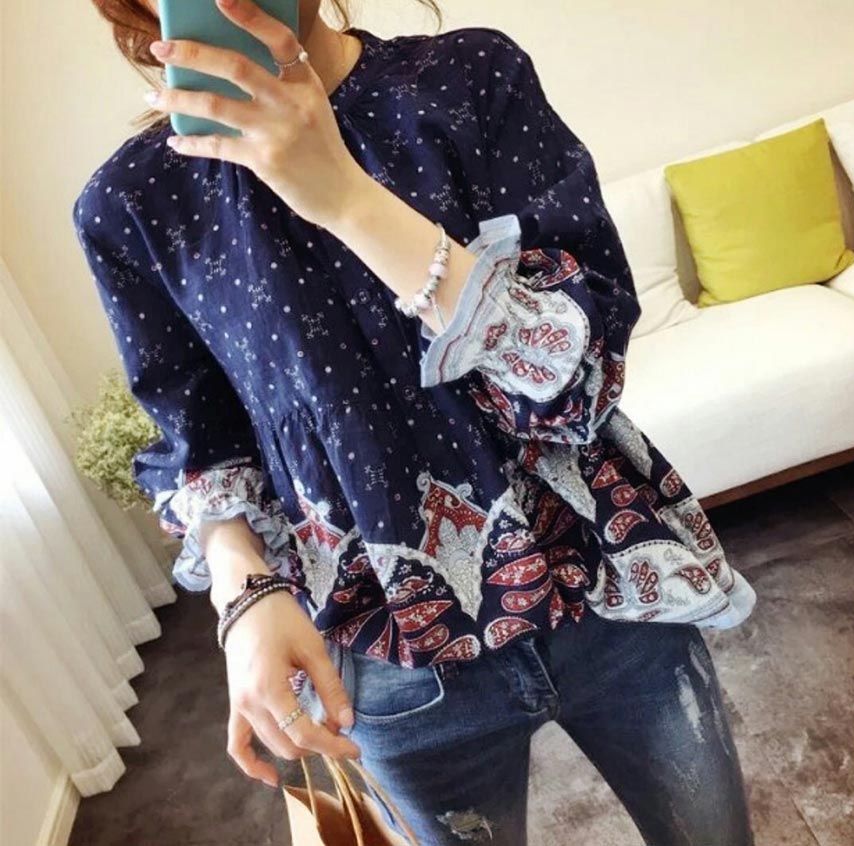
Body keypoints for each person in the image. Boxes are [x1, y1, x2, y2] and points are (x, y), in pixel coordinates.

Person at [72, 1, 758, 843]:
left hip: (608, 585)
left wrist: (344, 196)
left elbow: (579, 377)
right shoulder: (134, 206)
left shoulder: (470, 78)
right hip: (389, 657)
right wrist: (242, 589)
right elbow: (198, 446)